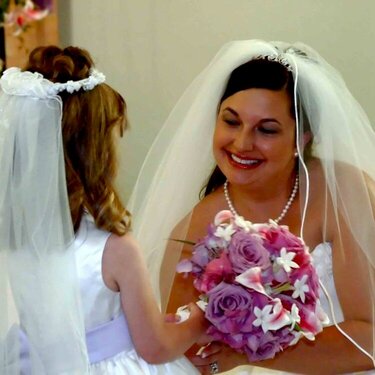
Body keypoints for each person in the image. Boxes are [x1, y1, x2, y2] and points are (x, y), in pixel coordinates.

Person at [128, 40, 375, 374]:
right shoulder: (194, 232)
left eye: (267, 130)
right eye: (231, 122)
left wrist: (254, 354)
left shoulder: (342, 194)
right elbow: (186, 354)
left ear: (302, 138)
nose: (243, 143)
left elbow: (369, 338)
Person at [0, 45, 208, 375]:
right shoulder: (114, 248)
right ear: (97, 153)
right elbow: (154, 347)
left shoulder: (12, 235)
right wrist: (202, 317)